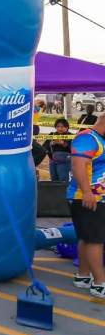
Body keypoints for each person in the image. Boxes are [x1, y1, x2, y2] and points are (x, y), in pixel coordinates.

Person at [67, 112, 105, 298]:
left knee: (86, 237)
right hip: (87, 197)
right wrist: (87, 192)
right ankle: (100, 283)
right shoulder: (87, 138)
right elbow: (78, 166)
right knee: (95, 240)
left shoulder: (100, 140)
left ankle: (83, 275)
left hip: (94, 197)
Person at [47, 118, 73, 182]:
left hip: (65, 161)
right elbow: (44, 147)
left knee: (63, 181)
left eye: (62, 127)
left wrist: (63, 143)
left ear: (67, 127)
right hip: (53, 161)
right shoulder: (52, 135)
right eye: (58, 126)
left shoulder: (71, 136)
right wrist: (50, 144)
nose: (60, 128)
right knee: (54, 180)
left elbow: (74, 148)